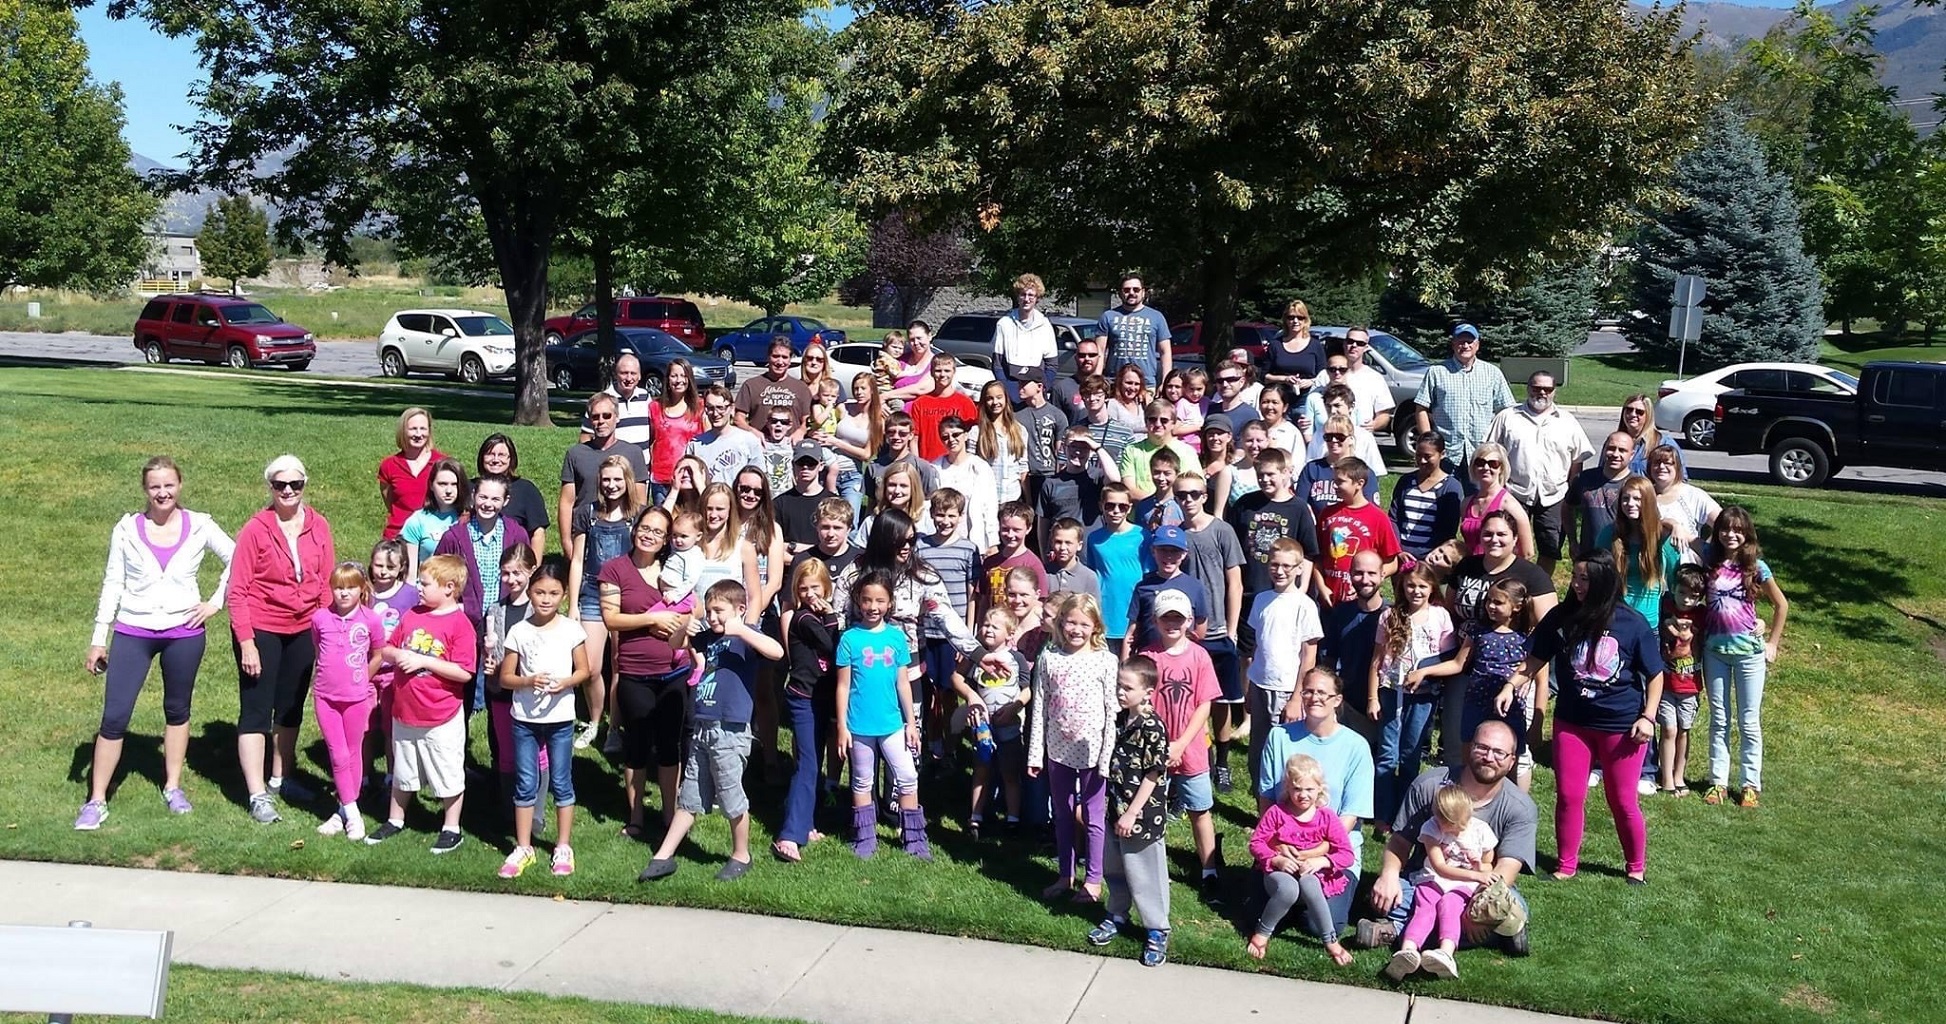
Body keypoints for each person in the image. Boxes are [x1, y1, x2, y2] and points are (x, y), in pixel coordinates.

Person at [78, 457, 235, 830]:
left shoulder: (200, 525)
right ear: (144, 490)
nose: (162, 493)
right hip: (134, 630)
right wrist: (99, 639)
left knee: (177, 710)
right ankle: (96, 800)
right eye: (154, 487)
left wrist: (215, 602)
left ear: (179, 485)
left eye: (169, 485)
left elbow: (239, 557)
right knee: (115, 716)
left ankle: (173, 787)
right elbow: (112, 582)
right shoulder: (127, 529)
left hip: (184, 632)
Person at [1509, 550, 1664, 883]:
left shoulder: (1631, 622)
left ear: (1604, 582)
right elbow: (1535, 659)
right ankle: (1566, 865)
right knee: (1568, 794)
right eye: (1576, 577)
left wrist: (1648, 717)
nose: (1577, 585)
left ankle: (1636, 868)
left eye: (1585, 579)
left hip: (1621, 727)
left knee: (1622, 800)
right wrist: (1511, 685)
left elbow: (1655, 674)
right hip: (1572, 722)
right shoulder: (1562, 617)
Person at [638, 579, 785, 881]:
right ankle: (663, 856)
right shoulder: (709, 638)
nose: (713, 617)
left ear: (740, 609)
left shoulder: (747, 637)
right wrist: (685, 627)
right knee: (689, 794)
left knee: (731, 796)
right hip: (704, 726)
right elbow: (674, 644)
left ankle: (741, 854)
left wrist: (742, 629)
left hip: (730, 731)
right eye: (710, 611)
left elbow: (777, 653)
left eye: (720, 611)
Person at [1357, 720, 1535, 958]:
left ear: (1512, 760)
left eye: (1499, 753)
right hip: (1426, 881)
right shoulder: (1430, 785)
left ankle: (1396, 930)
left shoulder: (1520, 807)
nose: (1489, 757)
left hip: (1478, 886)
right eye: (1482, 747)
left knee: (1513, 906)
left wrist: (1477, 907)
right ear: (1470, 747)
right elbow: (1400, 841)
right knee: (1384, 896)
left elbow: (1507, 868)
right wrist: (1388, 875)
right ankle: (1498, 935)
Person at [229, 454, 335, 824]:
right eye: (280, 485)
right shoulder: (255, 529)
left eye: (295, 484)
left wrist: (325, 631)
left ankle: (281, 778)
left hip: (303, 627)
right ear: (270, 488)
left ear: (305, 485)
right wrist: (246, 642)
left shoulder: (318, 525)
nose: (288, 491)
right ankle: (257, 794)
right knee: (257, 710)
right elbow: (238, 591)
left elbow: (326, 583)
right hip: (262, 626)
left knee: (290, 708)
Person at [367, 553, 476, 853]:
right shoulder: (413, 614)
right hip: (405, 711)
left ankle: (451, 826)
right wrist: (396, 656)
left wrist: (423, 660)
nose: (418, 587)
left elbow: (464, 671)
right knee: (403, 768)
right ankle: (395, 818)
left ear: (449, 588)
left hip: (441, 713)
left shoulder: (459, 624)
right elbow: (387, 648)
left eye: (425, 583)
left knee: (447, 771)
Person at [1254, 668, 1374, 934]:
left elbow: (1350, 818)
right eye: (1307, 691)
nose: (1313, 697)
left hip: (1331, 852)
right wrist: (1278, 846)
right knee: (1261, 911)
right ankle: (1289, 895)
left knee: (1318, 925)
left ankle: (1302, 899)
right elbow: (1266, 800)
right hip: (1283, 847)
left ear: (1337, 700)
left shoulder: (1357, 747)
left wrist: (1313, 853)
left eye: (1322, 692)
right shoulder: (1279, 737)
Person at [601, 508, 696, 837]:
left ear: (667, 538)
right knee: (637, 746)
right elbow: (611, 619)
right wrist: (651, 619)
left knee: (670, 745)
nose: (649, 535)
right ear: (634, 528)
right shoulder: (615, 570)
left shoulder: (674, 570)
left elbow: (691, 608)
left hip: (674, 672)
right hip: (635, 672)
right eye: (645, 528)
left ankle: (670, 815)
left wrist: (678, 627)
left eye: (658, 532)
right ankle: (637, 816)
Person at [1443, 510, 1557, 769]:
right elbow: (1449, 610)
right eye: (1488, 533)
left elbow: (1546, 638)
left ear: (1515, 538)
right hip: (1465, 667)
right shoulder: (1467, 566)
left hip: (1513, 673)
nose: (1494, 539)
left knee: (1509, 749)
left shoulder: (1533, 576)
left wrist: (1538, 702)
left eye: (1502, 534)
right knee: (1461, 740)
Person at [497, 563, 589, 878]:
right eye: (539, 592)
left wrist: (565, 682)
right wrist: (528, 681)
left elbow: (584, 670)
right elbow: (506, 677)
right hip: (524, 719)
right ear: (530, 593)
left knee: (562, 781)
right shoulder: (519, 631)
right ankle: (524, 847)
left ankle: (563, 845)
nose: (545, 599)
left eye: (553, 593)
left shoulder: (571, 629)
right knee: (526, 782)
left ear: (564, 595)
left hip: (561, 719)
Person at [836, 570, 935, 859]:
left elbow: (903, 683)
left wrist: (910, 724)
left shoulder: (896, 638)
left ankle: (914, 839)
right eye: (866, 600)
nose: (872, 607)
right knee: (862, 781)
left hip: (892, 724)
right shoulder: (850, 640)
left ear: (890, 603)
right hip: (859, 725)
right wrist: (842, 725)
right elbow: (843, 686)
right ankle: (865, 837)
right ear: (858, 601)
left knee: (907, 777)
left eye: (880, 600)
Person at [1029, 592, 1121, 901]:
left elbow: (1112, 711)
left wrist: (1106, 758)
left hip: (1094, 752)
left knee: (1094, 818)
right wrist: (1035, 753)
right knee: (1064, 815)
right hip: (1058, 750)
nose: (1076, 630)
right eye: (1070, 622)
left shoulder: (1106, 661)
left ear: (1095, 627)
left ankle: (1093, 881)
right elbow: (1040, 706)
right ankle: (1065, 875)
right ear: (1060, 623)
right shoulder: (1049, 658)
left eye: (1084, 624)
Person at [1085, 655, 1173, 968]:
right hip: (1115, 806)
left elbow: (1153, 773)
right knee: (1115, 868)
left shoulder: (1152, 726)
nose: (1121, 693)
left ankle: (1156, 928)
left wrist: (1132, 813)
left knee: (1144, 873)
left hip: (1142, 815)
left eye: (1128, 688)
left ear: (1148, 691)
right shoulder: (1122, 719)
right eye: (1119, 686)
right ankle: (1117, 913)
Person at [1701, 506, 1788, 808]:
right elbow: (1684, 538)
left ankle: (1750, 784)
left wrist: (1772, 643)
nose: (1731, 534)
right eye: (1725, 528)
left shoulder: (1756, 567)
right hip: (1715, 653)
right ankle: (1718, 783)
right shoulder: (1710, 561)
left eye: (1738, 529)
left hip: (1749, 656)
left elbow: (1781, 605)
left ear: (1747, 533)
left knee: (1749, 722)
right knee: (1719, 719)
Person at [1140, 589, 1224, 898]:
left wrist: (1181, 744)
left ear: (1189, 620)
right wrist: (1163, 745)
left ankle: (1210, 869)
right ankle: (1152, 868)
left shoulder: (1200, 656)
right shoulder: (1148, 657)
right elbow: (1142, 702)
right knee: (1153, 807)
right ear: (1156, 621)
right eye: (1166, 619)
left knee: (1199, 810)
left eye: (1178, 618)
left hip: (1191, 748)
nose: (1172, 624)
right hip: (1155, 747)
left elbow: (1204, 704)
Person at [1412, 579, 1535, 785]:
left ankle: (1511, 804)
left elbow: (1533, 669)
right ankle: (1465, 797)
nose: (1490, 606)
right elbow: (1458, 663)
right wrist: (1425, 671)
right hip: (1476, 701)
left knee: (1509, 756)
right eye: (1488, 601)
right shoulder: (1479, 631)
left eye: (1498, 602)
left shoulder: (1525, 637)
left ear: (1517, 606)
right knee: (1470, 754)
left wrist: (1527, 682)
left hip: (1509, 705)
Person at [432, 475, 531, 719]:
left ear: (505, 501)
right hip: (465, 623)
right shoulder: (454, 537)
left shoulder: (516, 534)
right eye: (483, 497)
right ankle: (458, 752)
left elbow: (527, 573)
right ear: (474, 497)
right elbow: (437, 576)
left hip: (505, 621)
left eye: (495, 498)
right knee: (460, 692)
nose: (488, 503)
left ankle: (502, 755)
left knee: (500, 695)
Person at [1247, 753, 1357, 967]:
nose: (1303, 795)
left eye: (1309, 789)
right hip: (1280, 871)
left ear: (1320, 789)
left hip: (1312, 873)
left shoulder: (1327, 817)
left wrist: (1322, 861)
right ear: (1288, 788)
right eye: (1297, 789)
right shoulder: (1277, 813)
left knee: (1310, 882)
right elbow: (1256, 843)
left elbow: (1347, 854)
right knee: (1288, 888)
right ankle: (1262, 933)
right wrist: (1276, 860)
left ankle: (1330, 940)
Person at [1368, 565, 1457, 826]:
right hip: (1390, 692)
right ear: (1402, 587)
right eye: (1410, 585)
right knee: (1387, 754)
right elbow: (1376, 658)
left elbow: (1446, 656)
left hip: (1423, 695)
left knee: (1410, 754)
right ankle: (1382, 814)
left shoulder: (1440, 616)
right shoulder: (1390, 616)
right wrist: (1372, 696)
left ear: (1431, 588)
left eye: (1421, 586)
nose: (1415, 591)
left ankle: (1404, 815)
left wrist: (1427, 673)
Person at [1384, 786, 1499, 982]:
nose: (1447, 828)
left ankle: (1445, 953)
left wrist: (1479, 866)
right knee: (1425, 907)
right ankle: (1408, 951)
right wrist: (1476, 876)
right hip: (1434, 877)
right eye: (1443, 821)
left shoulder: (1481, 831)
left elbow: (1488, 863)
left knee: (1451, 906)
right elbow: (1439, 867)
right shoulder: (1431, 828)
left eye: (1454, 824)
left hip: (1464, 884)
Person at [1484, 371, 1593, 572]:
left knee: (1550, 548)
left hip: (1554, 497)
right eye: (1536, 388)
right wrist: (1495, 489)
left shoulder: (1567, 421)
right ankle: (1510, 586)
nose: (1541, 392)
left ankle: (1539, 588)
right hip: (1514, 494)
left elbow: (1577, 461)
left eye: (1547, 389)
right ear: (1528, 388)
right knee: (1509, 545)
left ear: (1554, 392)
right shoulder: (1508, 417)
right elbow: (1490, 454)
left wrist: (1570, 492)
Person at [566, 456, 640, 750]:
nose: (611, 486)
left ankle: (614, 729)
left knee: (621, 664)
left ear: (627, 482)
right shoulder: (588, 514)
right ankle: (595, 721)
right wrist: (573, 605)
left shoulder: (637, 516)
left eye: (617, 480)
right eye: (606, 480)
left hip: (627, 596)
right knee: (591, 667)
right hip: (593, 595)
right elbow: (577, 561)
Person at [1241, 538, 1322, 796]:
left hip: (1287, 690)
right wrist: (1249, 688)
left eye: (1287, 566)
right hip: (1260, 684)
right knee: (1258, 752)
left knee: (1285, 755)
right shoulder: (1262, 600)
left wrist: (1298, 697)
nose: (1280, 571)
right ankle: (1262, 811)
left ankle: (1286, 809)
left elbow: (1309, 656)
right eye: (1275, 565)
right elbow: (1257, 647)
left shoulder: (1304, 605)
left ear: (1299, 568)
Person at [1174, 468, 1245, 759]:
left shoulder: (1221, 530)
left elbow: (1235, 582)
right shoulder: (1176, 534)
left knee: (1222, 699)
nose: (1188, 500)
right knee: (1189, 700)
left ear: (1205, 496)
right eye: (1182, 495)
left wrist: (1231, 628)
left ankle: (1223, 760)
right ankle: (1192, 757)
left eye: (1194, 494)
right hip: (1188, 633)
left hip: (1218, 629)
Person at [309, 563, 382, 841]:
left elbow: (378, 654)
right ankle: (353, 814)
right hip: (325, 696)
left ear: (361, 589)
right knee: (337, 754)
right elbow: (318, 649)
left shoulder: (371, 620)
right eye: (338, 587)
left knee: (353, 752)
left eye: (350, 587)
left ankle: (342, 811)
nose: (343, 593)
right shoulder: (320, 618)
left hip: (356, 697)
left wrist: (363, 678)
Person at [777, 559, 842, 861]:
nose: (810, 594)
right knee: (807, 764)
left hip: (819, 699)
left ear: (826, 587)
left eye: (815, 588)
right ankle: (789, 835)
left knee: (812, 761)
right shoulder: (803, 619)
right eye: (803, 589)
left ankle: (805, 823)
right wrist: (830, 614)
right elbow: (830, 645)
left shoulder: (814, 616)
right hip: (803, 698)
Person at [953, 608, 1031, 838]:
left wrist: (1015, 707)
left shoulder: (1016, 659)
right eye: (985, 624)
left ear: (1010, 634)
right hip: (982, 725)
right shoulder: (976, 656)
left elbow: (1027, 690)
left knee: (1010, 773)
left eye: (994, 627)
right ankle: (975, 818)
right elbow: (956, 678)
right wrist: (971, 696)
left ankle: (1013, 819)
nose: (987, 629)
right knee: (981, 770)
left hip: (1009, 725)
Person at [1411, 324, 1514, 480]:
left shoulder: (1492, 373)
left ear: (1477, 345)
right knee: (1446, 501)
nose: (1465, 345)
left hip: (1482, 455)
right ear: (1453, 344)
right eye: (1461, 341)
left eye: (1470, 341)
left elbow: (1507, 411)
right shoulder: (1437, 372)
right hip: (1447, 453)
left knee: (1478, 502)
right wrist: (1429, 442)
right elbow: (1421, 408)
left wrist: (1499, 445)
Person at [560, 393, 649, 555]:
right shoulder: (576, 453)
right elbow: (567, 502)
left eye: (606, 416)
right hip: (585, 533)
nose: (601, 421)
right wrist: (566, 541)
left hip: (624, 532)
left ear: (617, 418)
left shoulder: (633, 452)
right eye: (595, 417)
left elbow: (640, 501)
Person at [1594, 476, 1682, 628]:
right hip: (1614, 619)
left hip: (1648, 623)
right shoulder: (1609, 534)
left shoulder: (1664, 538)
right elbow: (1596, 573)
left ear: (1648, 502)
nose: (1630, 504)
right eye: (1625, 498)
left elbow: (1676, 582)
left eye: (1637, 499)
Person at [1315, 458, 1400, 608]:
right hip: (1329, 599)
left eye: (1340, 482)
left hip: (1361, 601)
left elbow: (1392, 563)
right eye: (1334, 481)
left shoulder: (1378, 518)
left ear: (1359, 484)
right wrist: (1322, 588)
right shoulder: (1327, 514)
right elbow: (1318, 557)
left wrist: (1366, 582)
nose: (1335, 486)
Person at [1656, 564, 1707, 796]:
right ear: (1673, 590)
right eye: (1682, 593)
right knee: (1668, 729)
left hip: (1690, 685)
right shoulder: (1664, 607)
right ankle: (1666, 778)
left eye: (1693, 596)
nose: (1686, 600)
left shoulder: (1702, 615)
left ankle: (1679, 776)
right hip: (1666, 683)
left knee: (1683, 730)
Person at [1124, 525, 1210, 657]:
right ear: (1153, 551)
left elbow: (1200, 629)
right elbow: (1132, 632)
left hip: (1182, 656)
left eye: (1175, 551)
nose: (1169, 556)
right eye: (1163, 550)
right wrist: (1125, 664)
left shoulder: (1195, 586)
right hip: (1149, 656)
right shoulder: (1143, 586)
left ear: (1184, 554)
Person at [1085, 482, 1150, 651]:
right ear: (1101, 506)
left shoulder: (1142, 536)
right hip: (1105, 612)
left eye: (1122, 506)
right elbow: (1092, 575)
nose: (1116, 511)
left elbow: (1149, 576)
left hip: (1134, 613)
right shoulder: (1094, 539)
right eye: (1110, 505)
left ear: (1129, 508)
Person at [1389, 433, 1463, 565]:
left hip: (1430, 559)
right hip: (1401, 556)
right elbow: (1393, 518)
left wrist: (1429, 555)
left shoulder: (1450, 487)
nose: (1422, 460)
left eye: (1428, 456)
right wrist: (1398, 549)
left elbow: (1448, 529)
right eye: (1418, 455)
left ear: (1442, 454)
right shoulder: (1406, 481)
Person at [819, 372, 884, 518]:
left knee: (851, 520)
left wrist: (836, 442)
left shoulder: (877, 420)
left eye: (863, 388)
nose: (858, 392)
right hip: (828, 470)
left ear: (872, 390)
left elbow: (867, 454)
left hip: (852, 475)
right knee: (825, 516)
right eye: (855, 388)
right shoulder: (844, 408)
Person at [1456, 442, 1536, 560]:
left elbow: (1527, 553)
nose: (1486, 468)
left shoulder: (1510, 505)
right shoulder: (1466, 504)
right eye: (1480, 463)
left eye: (1493, 464)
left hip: (1498, 573)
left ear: (1501, 469)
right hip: (1471, 571)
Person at [476, 434, 551, 556]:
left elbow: (538, 534)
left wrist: (532, 570)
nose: (495, 459)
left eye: (501, 455)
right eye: (490, 454)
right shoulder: (469, 487)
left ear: (511, 459)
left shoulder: (526, 490)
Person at [1015, 376, 1071, 536]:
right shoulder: (1014, 414)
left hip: (1048, 476)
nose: (1020, 386)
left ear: (1039, 386)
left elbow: (1060, 451)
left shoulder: (1057, 415)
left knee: (1048, 524)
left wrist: (1059, 478)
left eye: (1025, 383)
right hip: (1024, 476)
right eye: (1019, 383)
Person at [935, 415, 999, 551]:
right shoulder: (935, 468)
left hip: (973, 539)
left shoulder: (980, 467)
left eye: (956, 434)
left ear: (965, 435)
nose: (951, 440)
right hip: (942, 539)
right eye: (945, 437)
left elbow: (990, 506)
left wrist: (992, 542)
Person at [1566, 431, 1634, 559]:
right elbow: (1568, 507)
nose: (1615, 454)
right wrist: (1572, 541)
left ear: (1632, 455)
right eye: (1611, 448)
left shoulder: (1638, 484)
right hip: (1589, 555)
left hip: (1623, 557)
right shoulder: (1584, 478)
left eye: (1622, 450)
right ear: (1604, 450)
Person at [1647, 444, 1720, 563]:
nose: (1661, 467)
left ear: (1677, 467)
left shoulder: (1693, 494)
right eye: (1656, 463)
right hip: (1653, 569)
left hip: (1687, 571)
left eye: (1668, 463)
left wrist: (1704, 548)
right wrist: (1673, 524)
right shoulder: (1645, 495)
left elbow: (1723, 523)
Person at [378, 407, 443, 540]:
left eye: (423, 429)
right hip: (397, 537)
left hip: (431, 536)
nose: (418, 434)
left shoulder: (442, 463)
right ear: (403, 431)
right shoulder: (389, 465)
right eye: (413, 429)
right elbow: (390, 502)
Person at [1313, 328, 1394, 434]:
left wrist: (1374, 425)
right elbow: (1312, 406)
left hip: (1360, 438)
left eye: (1360, 343)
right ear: (1344, 344)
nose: (1354, 345)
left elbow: (1384, 415)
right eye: (1350, 341)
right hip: (1329, 439)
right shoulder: (1326, 374)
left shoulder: (1375, 378)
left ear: (1366, 347)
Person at [994, 272, 1059, 403]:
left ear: (1037, 298)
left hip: (1036, 385)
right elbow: (997, 364)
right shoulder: (1004, 323)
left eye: (1031, 295)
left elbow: (1052, 365)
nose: (1027, 299)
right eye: (1023, 294)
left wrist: (1043, 387)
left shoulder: (1045, 325)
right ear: (1018, 297)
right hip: (1011, 384)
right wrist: (1006, 388)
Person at [646, 360, 704, 504]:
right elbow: (649, 440)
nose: (678, 380)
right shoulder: (655, 407)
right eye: (674, 376)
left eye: (683, 376)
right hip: (662, 478)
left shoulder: (700, 407)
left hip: (690, 479)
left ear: (689, 379)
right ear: (667, 379)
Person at [399, 457, 468, 578]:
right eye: (442, 484)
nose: (448, 490)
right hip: (428, 589)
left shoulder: (469, 519)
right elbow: (410, 575)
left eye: (454, 484)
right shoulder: (417, 520)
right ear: (431, 485)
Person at [1099, 274, 1171, 387]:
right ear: (1120, 293)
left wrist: (1166, 382)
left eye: (1136, 289)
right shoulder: (1108, 316)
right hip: (1114, 382)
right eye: (1126, 290)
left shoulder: (1157, 317)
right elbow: (1100, 351)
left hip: (1146, 384)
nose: (1131, 293)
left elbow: (1165, 352)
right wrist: (1097, 380)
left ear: (1143, 292)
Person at [1297, 416, 1375, 519]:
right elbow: (1299, 506)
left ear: (1351, 439)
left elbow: (1371, 511)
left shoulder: (1364, 472)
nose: (1333, 440)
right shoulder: (1312, 469)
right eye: (1328, 437)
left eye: (1340, 437)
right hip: (1317, 530)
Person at [1119, 400, 1199, 501]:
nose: (1158, 424)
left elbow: (1194, 487)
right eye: (1152, 419)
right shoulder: (1131, 450)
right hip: (1140, 513)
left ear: (1173, 423)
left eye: (1164, 420)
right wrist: (1157, 503)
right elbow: (1129, 490)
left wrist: (1167, 505)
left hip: (1177, 513)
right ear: (1145, 422)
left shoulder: (1187, 452)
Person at [685, 385, 764, 485]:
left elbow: (759, 479)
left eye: (720, 408)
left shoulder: (749, 441)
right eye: (710, 408)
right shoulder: (695, 444)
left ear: (731, 409)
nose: (715, 413)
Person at [908, 353, 979, 463]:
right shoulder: (920, 403)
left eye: (947, 371)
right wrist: (918, 466)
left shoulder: (965, 403)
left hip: (956, 464)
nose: (942, 375)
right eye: (938, 370)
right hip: (928, 464)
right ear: (931, 372)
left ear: (954, 372)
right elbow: (914, 439)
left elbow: (972, 438)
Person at [735, 336, 815, 434]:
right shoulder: (751, 385)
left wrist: (800, 432)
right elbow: (738, 419)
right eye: (775, 356)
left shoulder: (801, 388)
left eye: (785, 357)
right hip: (759, 445)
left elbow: (807, 420)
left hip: (790, 445)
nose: (780, 362)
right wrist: (753, 433)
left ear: (790, 360)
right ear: (768, 357)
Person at [982, 501, 1047, 614]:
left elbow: (1039, 603)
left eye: (1016, 530)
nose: (1010, 535)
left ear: (1028, 528)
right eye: (1005, 529)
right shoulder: (990, 563)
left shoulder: (1033, 564)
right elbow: (984, 601)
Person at [578, 352, 652, 446]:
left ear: (640, 376)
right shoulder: (602, 401)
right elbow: (586, 436)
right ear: (615, 374)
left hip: (642, 460)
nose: (629, 378)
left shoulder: (645, 397)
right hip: (613, 460)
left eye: (633, 373)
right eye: (624, 373)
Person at [864, 410, 941, 498]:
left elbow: (930, 499)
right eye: (891, 432)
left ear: (911, 435)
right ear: (885, 434)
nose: (896, 437)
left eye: (902, 434)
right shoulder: (874, 467)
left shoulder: (922, 467)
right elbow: (871, 503)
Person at [976, 381, 1030, 505]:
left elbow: (1023, 467)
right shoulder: (977, 432)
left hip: (1013, 496)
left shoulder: (1019, 430)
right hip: (987, 498)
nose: (995, 402)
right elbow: (971, 468)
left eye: (999, 397)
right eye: (990, 398)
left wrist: (1028, 500)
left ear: (1006, 398)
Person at [1259, 300, 1324, 399]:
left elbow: (1324, 376)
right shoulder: (1275, 345)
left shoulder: (1315, 345)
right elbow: (1264, 376)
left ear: (1306, 320)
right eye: (1291, 317)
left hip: (1307, 399)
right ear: (1285, 319)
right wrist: (1285, 379)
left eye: (1300, 317)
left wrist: (1311, 381)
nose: (1295, 321)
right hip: (1280, 398)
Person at [774, 442, 830, 552]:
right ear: (793, 464)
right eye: (800, 462)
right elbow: (773, 544)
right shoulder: (779, 503)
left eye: (811, 463)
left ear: (821, 466)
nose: (805, 467)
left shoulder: (833, 502)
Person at [1617, 392, 1686, 476]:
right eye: (1629, 410)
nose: (1632, 414)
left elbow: (1681, 477)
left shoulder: (1664, 442)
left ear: (1648, 415)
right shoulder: (1614, 441)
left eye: (1639, 412)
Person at [1079, 374, 1140, 466]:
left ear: (1106, 397)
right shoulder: (1074, 430)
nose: (1092, 398)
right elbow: (1063, 465)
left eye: (1097, 394)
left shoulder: (1125, 432)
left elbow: (1132, 466)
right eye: (1087, 394)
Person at [1044, 517, 1100, 601]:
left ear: (1079, 545)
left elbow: (1093, 611)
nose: (1063, 547)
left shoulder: (1089, 577)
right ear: (1052, 542)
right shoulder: (1044, 572)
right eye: (1058, 542)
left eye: (1068, 543)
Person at [1199, 414, 1239, 520]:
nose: (1215, 438)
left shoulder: (1235, 466)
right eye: (1211, 434)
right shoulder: (1196, 462)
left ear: (1229, 436)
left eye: (1220, 433)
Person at [1256, 382, 1303, 457]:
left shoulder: (1292, 433)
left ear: (1285, 407)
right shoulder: (1253, 429)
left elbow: (1298, 464)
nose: (1269, 407)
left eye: (1275, 402)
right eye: (1265, 402)